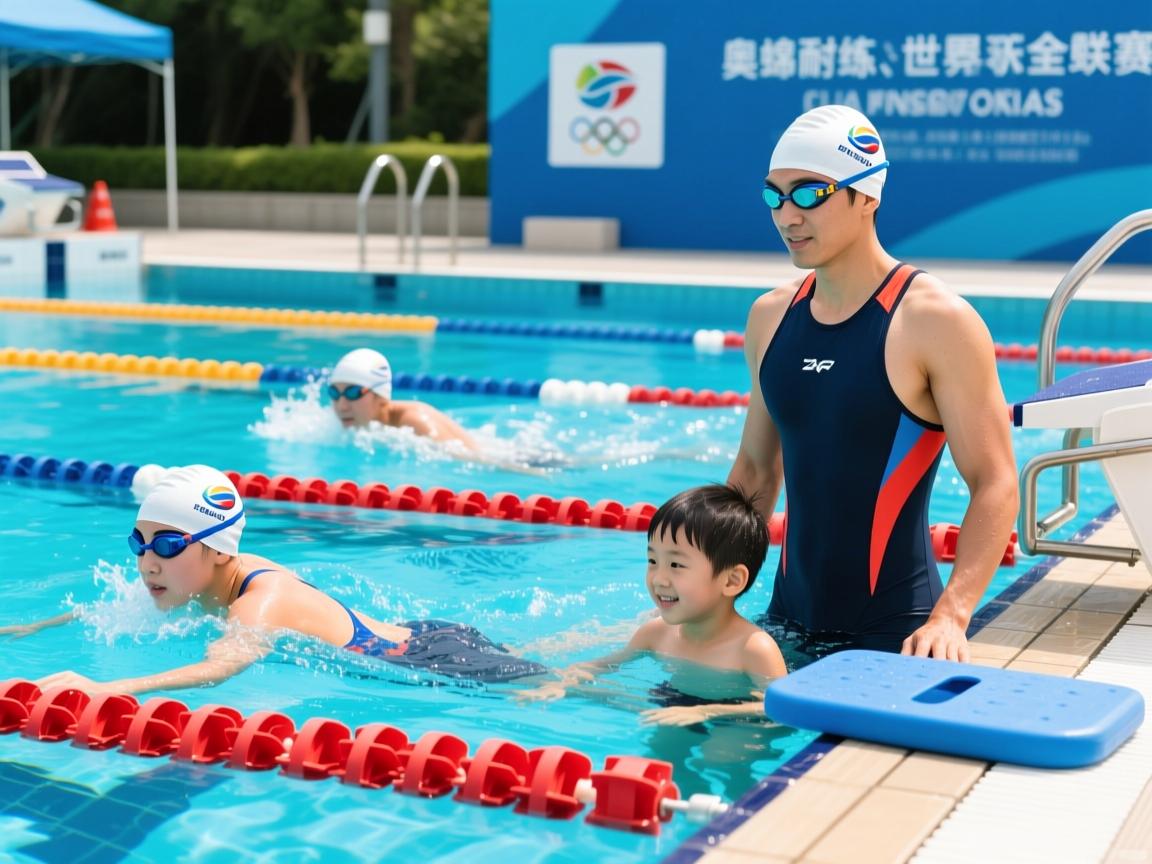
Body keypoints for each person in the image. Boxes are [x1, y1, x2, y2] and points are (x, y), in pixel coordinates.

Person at [729, 104, 1018, 661]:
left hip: (895, 633)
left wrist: (951, 618)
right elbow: (755, 471)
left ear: (867, 196)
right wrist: (708, 593)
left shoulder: (934, 320)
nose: (787, 215)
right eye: (774, 195)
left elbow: (995, 481)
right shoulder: (770, 317)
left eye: (809, 194)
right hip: (785, 622)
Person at [6, 465, 547, 694]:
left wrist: (105, 689)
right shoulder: (197, 575)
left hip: (429, 659)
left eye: (167, 545)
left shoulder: (260, 602)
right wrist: (34, 628)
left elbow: (219, 668)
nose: (147, 562)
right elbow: (117, 606)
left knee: (558, 684)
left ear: (218, 549)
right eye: (138, 544)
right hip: (419, 631)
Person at [518, 483, 787, 725]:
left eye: (676, 564)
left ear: (731, 580)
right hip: (671, 702)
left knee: (723, 753)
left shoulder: (754, 649)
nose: (659, 578)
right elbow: (602, 665)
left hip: (736, 718)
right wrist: (563, 683)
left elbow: (782, 707)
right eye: (653, 561)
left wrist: (706, 712)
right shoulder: (655, 633)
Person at [327, 348, 478, 451]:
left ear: (380, 396)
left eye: (353, 393)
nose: (342, 406)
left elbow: (472, 459)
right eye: (334, 393)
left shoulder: (416, 422)